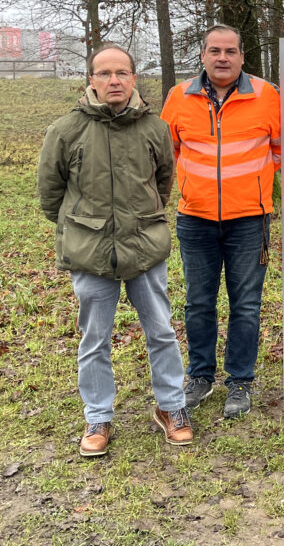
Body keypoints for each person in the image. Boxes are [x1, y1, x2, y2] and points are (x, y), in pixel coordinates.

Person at [38, 44, 193, 457]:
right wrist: (84, 228)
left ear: (134, 78)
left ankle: (171, 407)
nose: (114, 81)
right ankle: (98, 416)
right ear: (91, 79)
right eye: (104, 73)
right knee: (94, 339)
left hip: (145, 248)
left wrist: (139, 220)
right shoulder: (65, 130)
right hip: (90, 253)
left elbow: (163, 183)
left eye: (121, 73)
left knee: (161, 331)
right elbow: (51, 194)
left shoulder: (155, 129)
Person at [161, 24, 281, 419]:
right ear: (203, 56)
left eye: (230, 51)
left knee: (245, 304)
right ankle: (200, 376)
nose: (222, 58)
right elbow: (167, 151)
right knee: (198, 302)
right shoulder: (179, 96)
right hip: (195, 219)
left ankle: (240, 381)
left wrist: (250, 186)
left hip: (249, 220)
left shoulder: (266, 95)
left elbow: (279, 150)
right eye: (215, 50)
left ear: (242, 57)